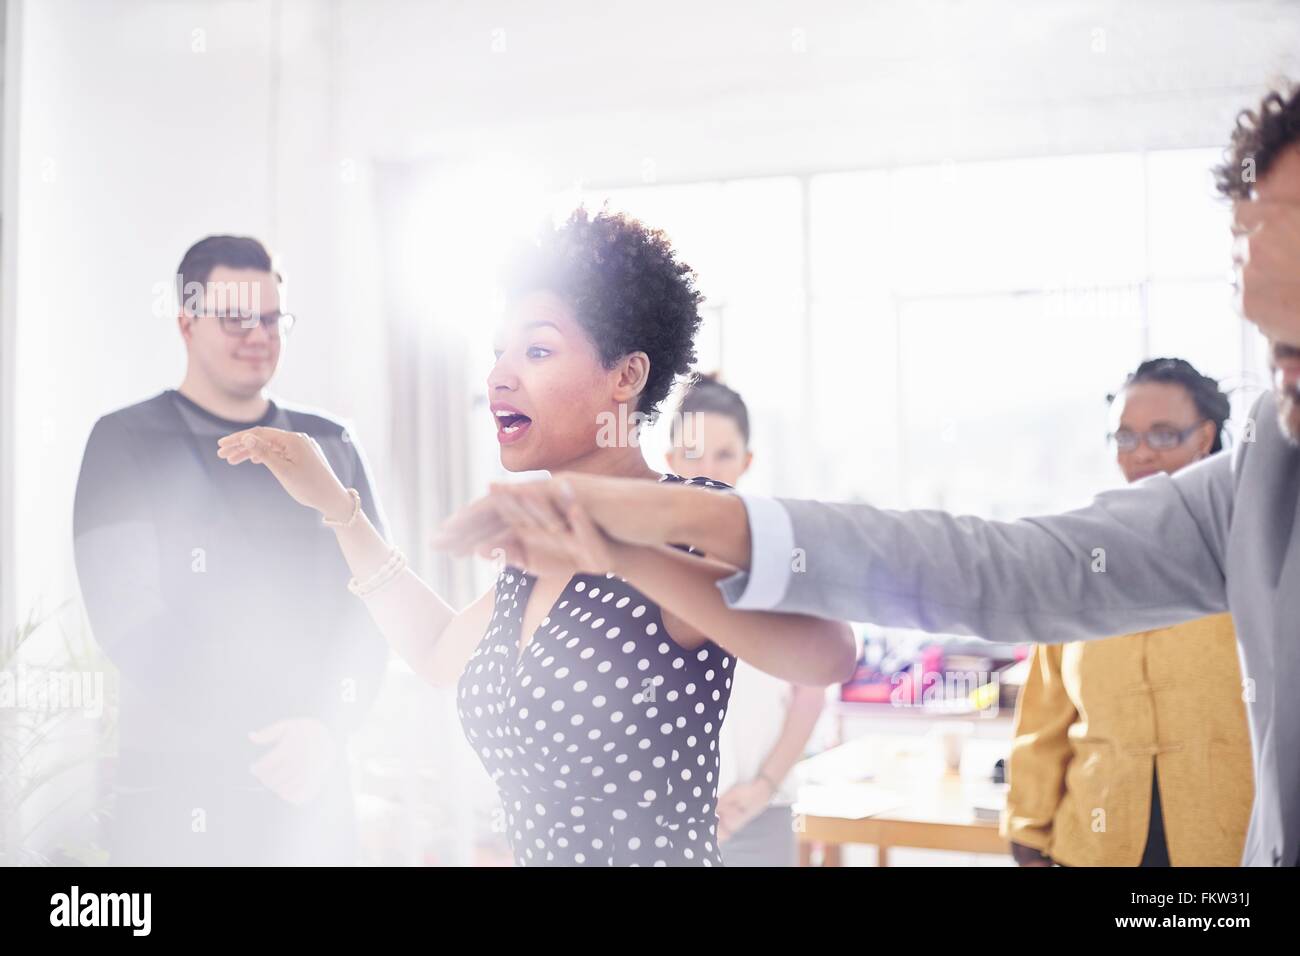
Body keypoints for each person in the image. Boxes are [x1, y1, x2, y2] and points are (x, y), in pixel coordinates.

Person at [438, 85, 1300, 867]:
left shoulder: (682, 515)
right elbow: (1021, 572)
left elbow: (825, 654)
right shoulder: (1258, 476)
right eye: (1276, 352)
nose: (1245, 274)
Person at [217, 208, 857, 866]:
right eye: (499, 351)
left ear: (627, 376)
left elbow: (829, 652)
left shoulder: (693, 519)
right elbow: (437, 650)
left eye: (538, 350)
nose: (499, 375)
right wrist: (339, 511)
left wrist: (615, 547)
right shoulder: (534, 554)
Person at [73, 235, 389, 865]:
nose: (258, 334)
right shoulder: (126, 441)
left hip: (313, 796)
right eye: (236, 317)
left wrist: (328, 729)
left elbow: (377, 601)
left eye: (272, 318)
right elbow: (130, 620)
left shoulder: (329, 442)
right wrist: (263, 737)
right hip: (178, 792)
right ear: (185, 321)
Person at [1004, 358, 1252, 867]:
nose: (1140, 454)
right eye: (1124, 437)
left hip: (1229, 845)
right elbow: (1045, 713)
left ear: (1205, 436)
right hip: (1095, 843)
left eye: (1163, 436)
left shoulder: (1258, 550)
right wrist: (1028, 831)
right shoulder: (1082, 554)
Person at [666, 374, 827, 867]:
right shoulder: (637, 558)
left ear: (747, 462)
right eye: (692, 454)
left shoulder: (781, 558)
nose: (708, 470)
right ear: (670, 458)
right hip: (658, 817)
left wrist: (762, 787)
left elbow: (810, 691)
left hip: (761, 816)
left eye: (724, 456)